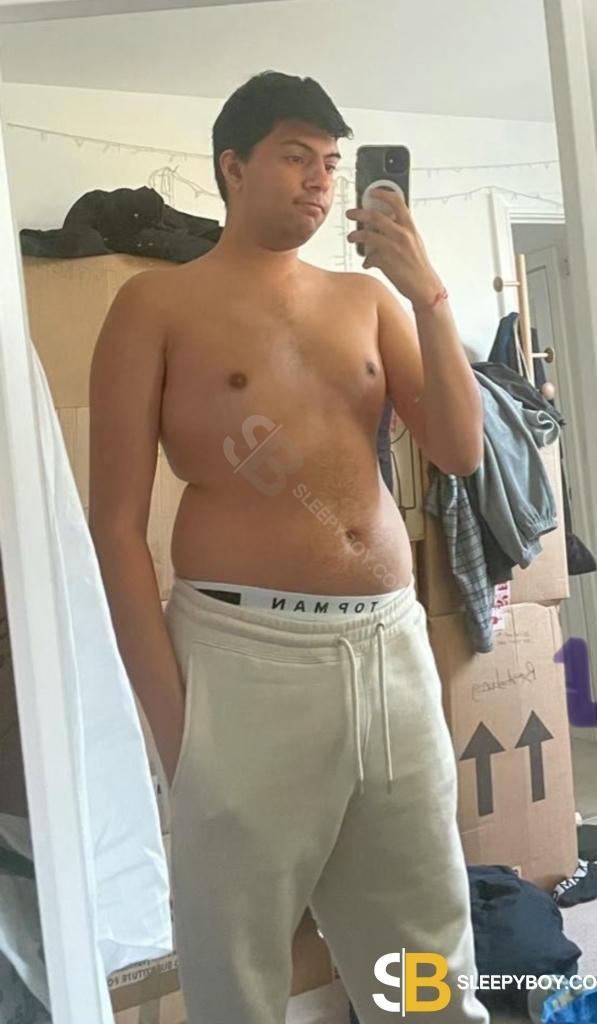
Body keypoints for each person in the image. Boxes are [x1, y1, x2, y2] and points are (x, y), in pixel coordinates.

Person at [88, 70, 488, 1024]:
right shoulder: (155, 304)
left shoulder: (368, 299)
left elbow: (458, 450)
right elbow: (114, 527)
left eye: (333, 164)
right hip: (244, 659)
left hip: (387, 650)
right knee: (238, 959)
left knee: (423, 939)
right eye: (296, 157)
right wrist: (176, 727)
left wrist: (429, 296)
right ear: (232, 166)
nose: (320, 181)